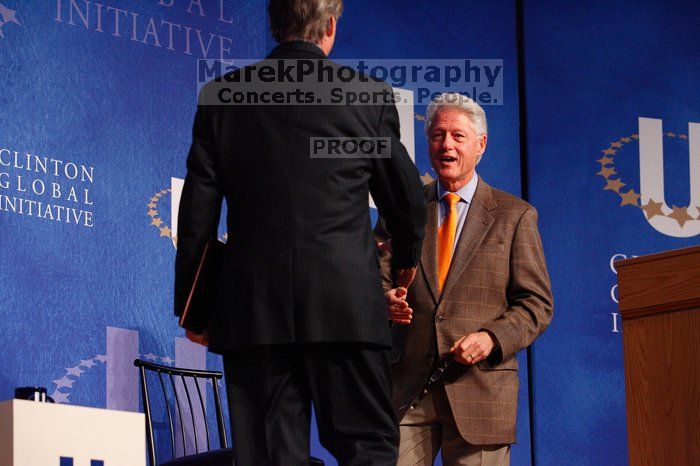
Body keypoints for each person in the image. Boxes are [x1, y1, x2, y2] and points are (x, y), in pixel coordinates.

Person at [173, 0, 427, 464]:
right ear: (330, 26)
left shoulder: (222, 98)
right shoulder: (366, 97)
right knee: (366, 448)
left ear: (274, 25)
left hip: (254, 314)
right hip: (346, 309)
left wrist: (194, 308)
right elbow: (407, 200)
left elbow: (197, 215)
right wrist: (407, 261)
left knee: (269, 456)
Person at [375, 93, 553, 465]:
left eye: (458, 135)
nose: (446, 145)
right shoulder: (402, 211)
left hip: (480, 391)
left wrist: (492, 338)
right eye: (438, 135)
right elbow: (376, 278)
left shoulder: (514, 216)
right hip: (407, 391)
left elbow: (536, 304)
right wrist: (385, 300)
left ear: (481, 144)